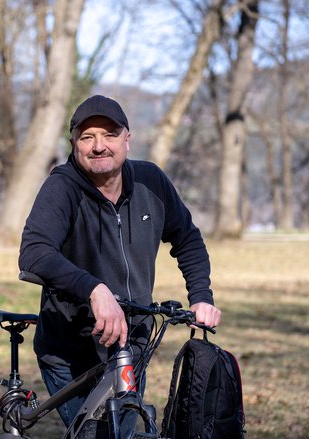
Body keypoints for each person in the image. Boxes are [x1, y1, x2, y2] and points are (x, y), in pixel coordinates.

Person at [18, 95, 221, 433]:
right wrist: (94, 289)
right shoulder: (62, 188)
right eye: (87, 137)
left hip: (132, 346)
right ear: (74, 144)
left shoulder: (150, 181)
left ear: (128, 139)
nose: (99, 146)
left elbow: (187, 238)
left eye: (110, 134)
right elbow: (35, 251)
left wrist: (201, 295)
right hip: (71, 351)